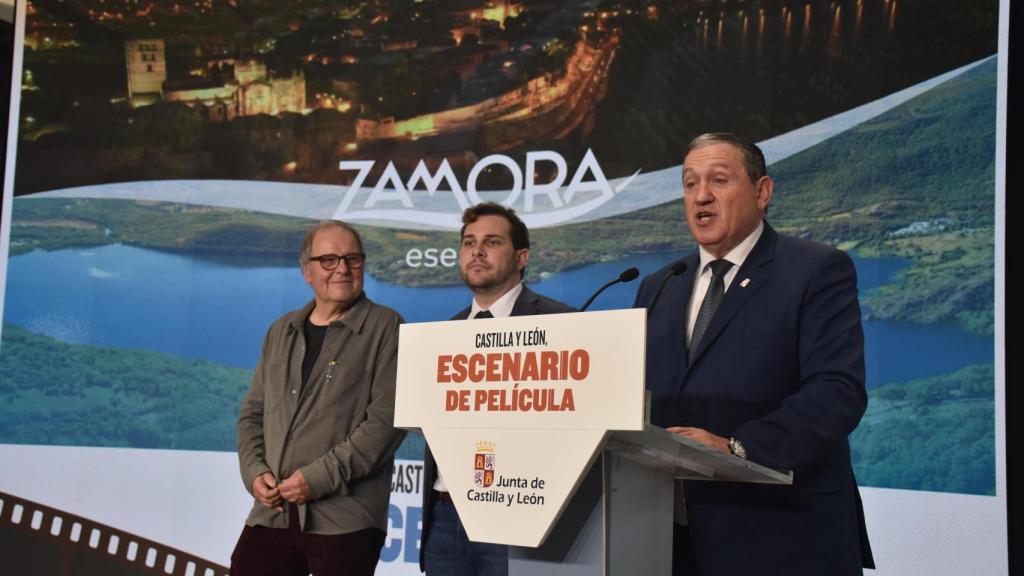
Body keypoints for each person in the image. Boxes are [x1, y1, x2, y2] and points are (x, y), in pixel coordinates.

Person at [634, 133, 874, 575]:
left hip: (783, 535)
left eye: (718, 180)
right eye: (690, 184)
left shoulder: (815, 269)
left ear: (762, 192)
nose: (701, 196)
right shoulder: (661, 285)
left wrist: (737, 447)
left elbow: (837, 391)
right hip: (672, 540)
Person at [232, 220, 406, 576]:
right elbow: (253, 413)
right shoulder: (281, 331)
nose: (342, 268)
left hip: (346, 520)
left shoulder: (387, 327)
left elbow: (385, 424)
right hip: (274, 512)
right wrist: (254, 473)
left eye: (352, 259)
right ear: (307, 271)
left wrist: (317, 479)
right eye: (328, 259)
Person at [420, 202, 574, 575]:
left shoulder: (562, 323)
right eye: (469, 242)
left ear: (521, 257)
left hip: (516, 519)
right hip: (446, 515)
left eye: (491, 242)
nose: (477, 251)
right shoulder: (444, 334)